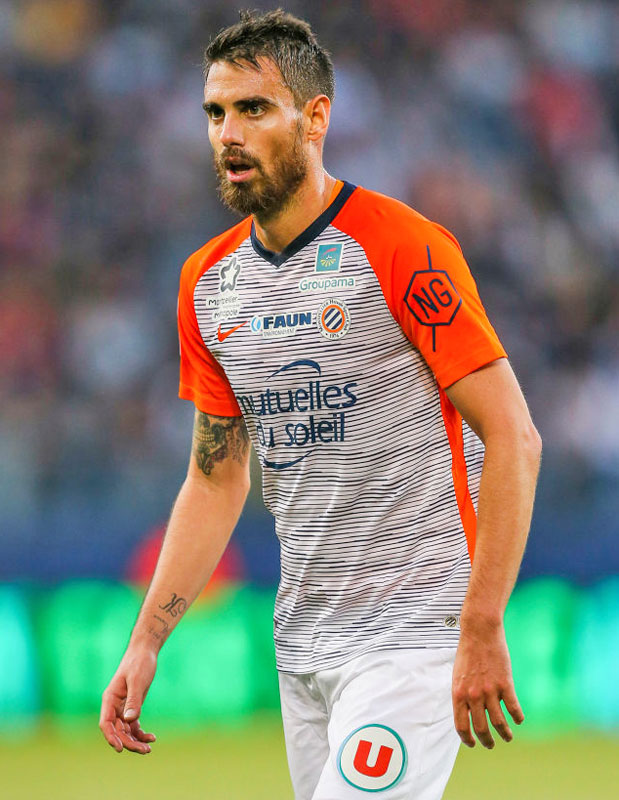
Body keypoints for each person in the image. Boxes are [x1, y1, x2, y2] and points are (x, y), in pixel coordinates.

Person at [99, 10, 542, 799]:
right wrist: (147, 639)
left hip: (415, 632)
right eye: (215, 112)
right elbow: (215, 478)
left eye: (253, 109)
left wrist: (480, 622)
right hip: (302, 645)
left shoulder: (400, 245)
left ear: (315, 118)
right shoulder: (208, 283)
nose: (229, 134)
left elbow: (512, 435)